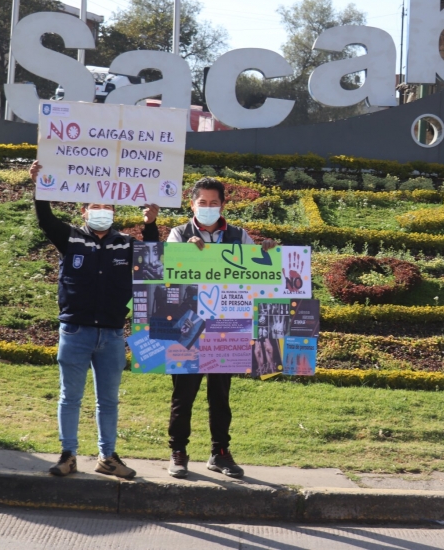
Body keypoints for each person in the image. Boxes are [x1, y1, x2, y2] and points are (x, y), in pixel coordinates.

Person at [29, 160, 160, 479]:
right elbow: (45, 220)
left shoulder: (126, 244)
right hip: (75, 332)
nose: (101, 210)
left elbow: (153, 260)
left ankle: (108, 457)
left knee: (109, 401)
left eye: (107, 206)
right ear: (84, 212)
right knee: (69, 397)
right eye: (94, 206)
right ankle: (68, 455)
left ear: (114, 212)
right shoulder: (71, 239)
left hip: (112, 336)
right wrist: (39, 186)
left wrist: (151, 223)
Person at [164, 177, 277, 479]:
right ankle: (178, 451)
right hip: (188, 326)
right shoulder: (178, 234)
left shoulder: (239, 237)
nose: (209, 208)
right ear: (193, 204)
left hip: (226, 328)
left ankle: (220, 453)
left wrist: (267, 253)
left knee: (220, 394)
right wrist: (184, 254)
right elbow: (166, 279)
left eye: (215, 203)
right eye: (203, 203)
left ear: (224, 205)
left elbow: (258, 278)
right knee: (183, 393)